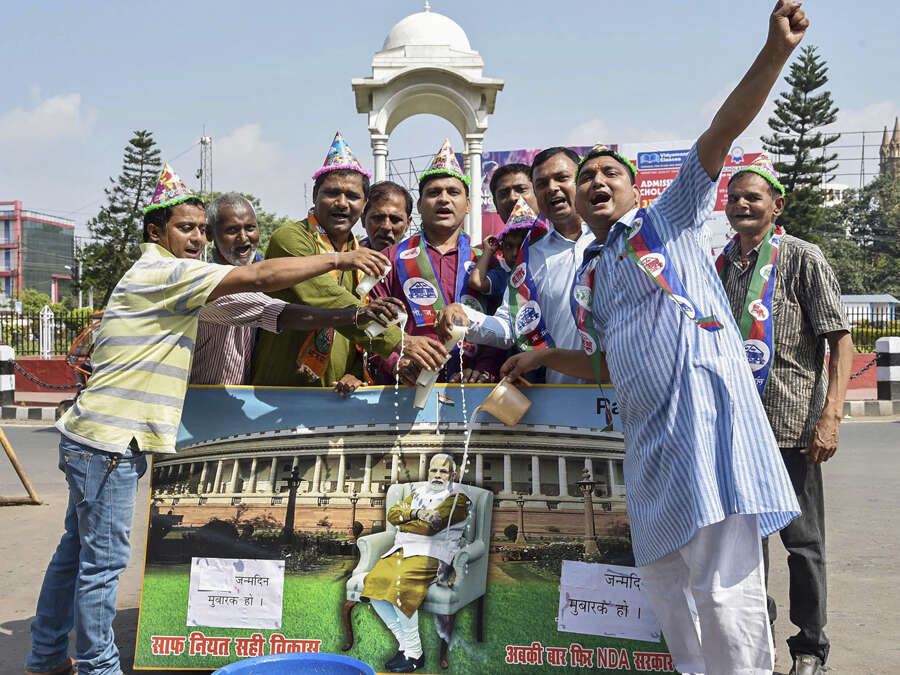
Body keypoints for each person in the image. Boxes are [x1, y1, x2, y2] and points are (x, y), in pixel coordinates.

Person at [500, 3, 811, 672]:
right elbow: (607, 363)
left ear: (634, 186)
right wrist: (545, 356)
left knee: (723, 590)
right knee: (672, 591)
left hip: (707, 427)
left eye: (608, 172)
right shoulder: (599, 269)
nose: (595, 182)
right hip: (651, 446)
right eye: (586, 179)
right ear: (578, 207)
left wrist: (774, 54)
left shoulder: (668, 219)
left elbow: (724, 128)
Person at [25, 164, 391, 675]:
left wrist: (345, 315)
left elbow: (265, 311)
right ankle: (98, 667)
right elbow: (259, 277)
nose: (198, 239)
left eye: (201, 229)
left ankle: (44, 657)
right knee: (101, 567)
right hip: (110, 443)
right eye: (186, 228)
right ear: (156, 233)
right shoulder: (165, 272)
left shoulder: (182, 284)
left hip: (99, 440)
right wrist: (341, 255)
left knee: (75, 555)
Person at [720, 154, 852, 675]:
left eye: (753, 196)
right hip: (738, 431)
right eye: (734, 198)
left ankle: (809, 647)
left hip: (793, 428)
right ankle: (761, 638)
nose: (742, 205)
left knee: (802, 544)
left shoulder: (802, 257)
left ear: (777, 205)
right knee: (746, 547)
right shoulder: (720, 264)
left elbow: (839, 341)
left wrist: (832, 415)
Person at [252, 132, 446, 393]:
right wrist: (399, 341)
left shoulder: (360, 256)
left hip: (337, 395)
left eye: (352, 196)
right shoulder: (291, 238)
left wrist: (357, 372)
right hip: (281, 390)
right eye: (332, 193)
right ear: (314, 195)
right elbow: (329, 299)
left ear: (364, 204)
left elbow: (357, 324)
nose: (342, 203)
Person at [190, 192, 405, 390]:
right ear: (210, 233)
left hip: (248, 400)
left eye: (250, 228)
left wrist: (355, 371)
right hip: (203, 400)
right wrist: (357, 315)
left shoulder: (356, 258)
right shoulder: (208, 281)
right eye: (231, 230)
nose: (244, 238)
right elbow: (282, 314)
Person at [436, 147, 596, 384]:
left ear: (583, 181)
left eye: (562, 178)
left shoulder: (617, 239)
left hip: (625, 392)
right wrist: (466, 317)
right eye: (541, 183)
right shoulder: (529, 256)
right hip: (563, 395)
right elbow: (512, 326)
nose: (552, 188)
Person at [369, 139, 502, 384]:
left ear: (468, 205)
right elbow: (372, 322)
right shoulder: (389, 259)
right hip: (404, 389)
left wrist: (483, 369)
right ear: (419, 205)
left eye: (453, 192)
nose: (443, 199)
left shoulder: (486, 262)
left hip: (470, 388)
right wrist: (395, 362)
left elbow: (504, 321)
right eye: (433, 193)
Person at [361, 453, 470, 673]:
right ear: (428, 472)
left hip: (433, 554)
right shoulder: (418, 493)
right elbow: (393, 515)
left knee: (401, 586)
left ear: (453, 475)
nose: (437, 475)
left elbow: (429, 529)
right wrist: (418, 513)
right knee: (374, 583)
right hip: (403, 550)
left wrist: (407, 522)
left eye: (443, 471)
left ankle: (414, 655)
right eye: (433, 470)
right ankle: (407, 646)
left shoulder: (459, 498)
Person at [467, 199, 538, 310]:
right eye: (509, 246)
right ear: (502, 249)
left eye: (521, 246)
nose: (514, 253)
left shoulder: (543, 272)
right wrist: (488, 251)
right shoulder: (502, 276)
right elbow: (476, 282)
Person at [361, 181, 413, 251]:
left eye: (395, 220)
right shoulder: (346, 257)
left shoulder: (422, 259)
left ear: (407, 224)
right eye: (378, 218)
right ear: (363, 220)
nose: (386, 227)